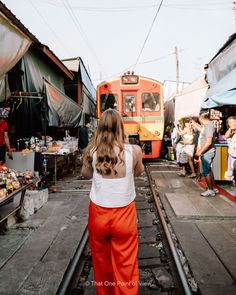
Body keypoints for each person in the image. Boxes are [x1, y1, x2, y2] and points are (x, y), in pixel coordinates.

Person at [81, 109, 144, 295]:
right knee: (126, 263)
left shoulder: (92, 151)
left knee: (101, 262)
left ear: (100, 127)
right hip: (124, 216)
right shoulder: (134, 151)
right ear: (121, 127)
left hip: (99, 215)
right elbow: (138, 172)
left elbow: (85, 175)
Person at [191, 112, 218, 197]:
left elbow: (208, 142)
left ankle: (210, 190)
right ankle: (212, 188)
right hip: (206, 152)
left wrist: (199, 152)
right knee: (208, 170)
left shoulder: (209, 126)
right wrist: (195, 124)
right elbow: (202, 131)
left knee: (206, 171)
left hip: (207, 152)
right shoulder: (207, 126)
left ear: (201, 118)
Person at [224, 116, 236, 186]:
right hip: (233, 157)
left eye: (234, 121)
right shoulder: (232, 132)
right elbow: (226, 136)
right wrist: (230, 128)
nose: (233, 123)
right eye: (231, 123)